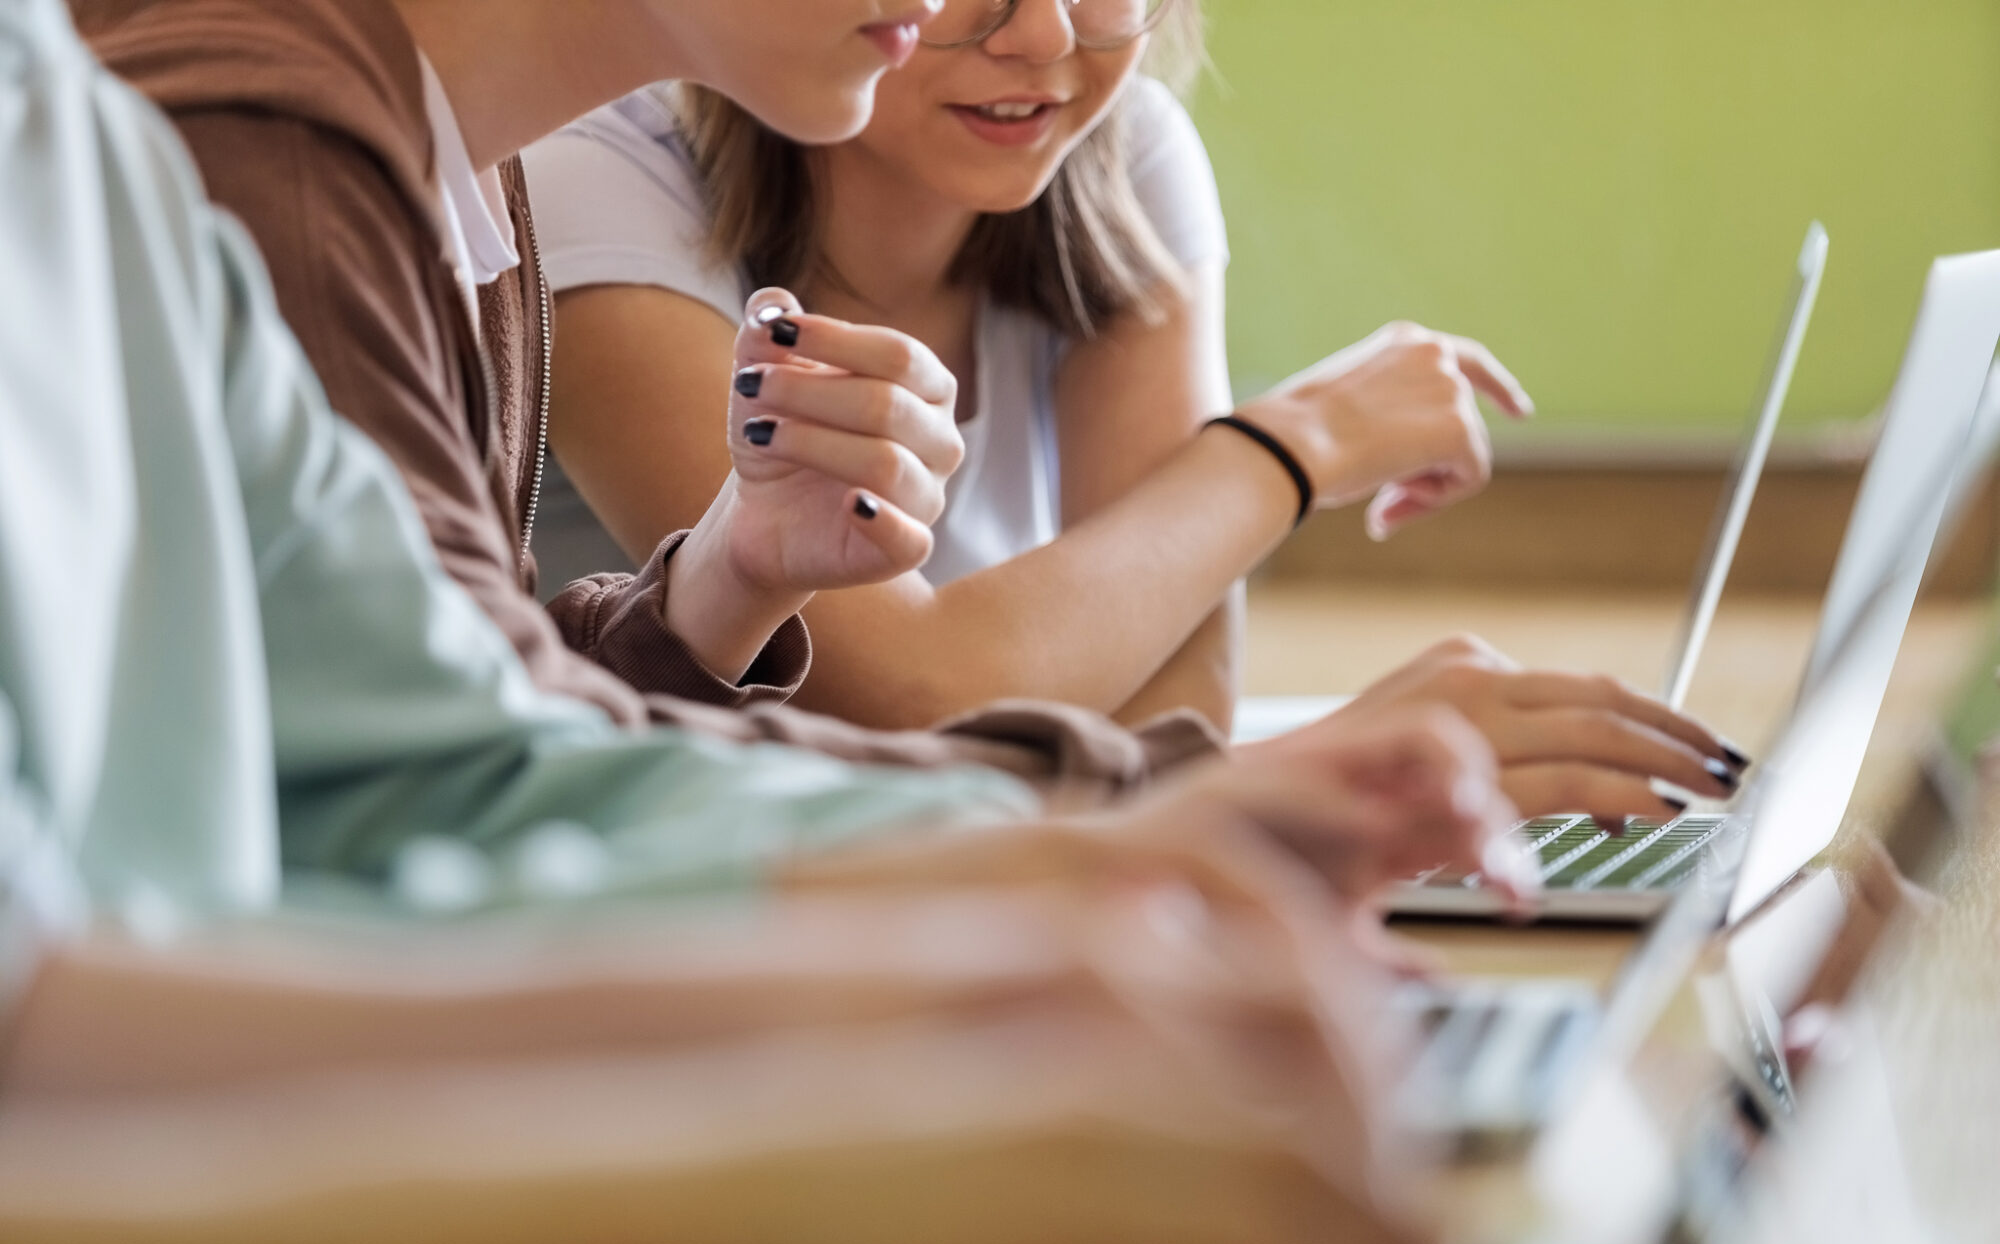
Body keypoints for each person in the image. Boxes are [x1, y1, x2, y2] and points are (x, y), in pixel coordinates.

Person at [0, 4, 1514, 1244]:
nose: (1000, 21)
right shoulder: (252, 134)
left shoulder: (124, 146)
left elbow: (437, 742)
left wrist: (1025, 875)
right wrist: (1012, 888)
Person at [83, 0, 1750, 830]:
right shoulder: (279, 152)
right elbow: (453, 830)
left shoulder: (465, 157)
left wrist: (715, 593)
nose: (1022, 20)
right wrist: (1210, 799)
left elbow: (443, 728)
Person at [525, 0, 1536, 735]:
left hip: (954, 886)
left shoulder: (1121, 155)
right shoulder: (591, 173)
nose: (1043, 35)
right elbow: (908, 696)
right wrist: (1291, 445)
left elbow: (1172, 722)